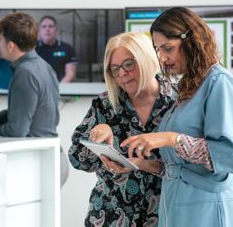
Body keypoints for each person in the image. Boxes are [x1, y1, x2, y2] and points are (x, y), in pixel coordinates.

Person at [120, 7, 233, 226]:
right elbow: (181, 166)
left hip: (207, 209)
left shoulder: (219, 82)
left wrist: (169, 138)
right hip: (176, 206)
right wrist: (138, 164)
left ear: (191, 41)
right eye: (158, 50)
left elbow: (229, 156)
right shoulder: (188, 88)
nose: (162, 58)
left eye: (168, 48)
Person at [68, 32, 175, 226]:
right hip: (110, 216)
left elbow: (193, 163)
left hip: (164, 216)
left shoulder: (178, 101)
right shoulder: (104, 105)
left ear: (146, 59)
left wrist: (145, 165)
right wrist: (95, 134)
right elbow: (77, 160)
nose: (122, 74)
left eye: (129, 64)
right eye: (115, 69)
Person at [35, 15, 77, 82]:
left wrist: (59, 89)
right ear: (39, 31)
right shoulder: (32, 48)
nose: (47, 29)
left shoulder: (67, 48)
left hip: (61, 87)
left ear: (56, 30)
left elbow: (70, 74)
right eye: (44, 27)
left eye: (50, 26)